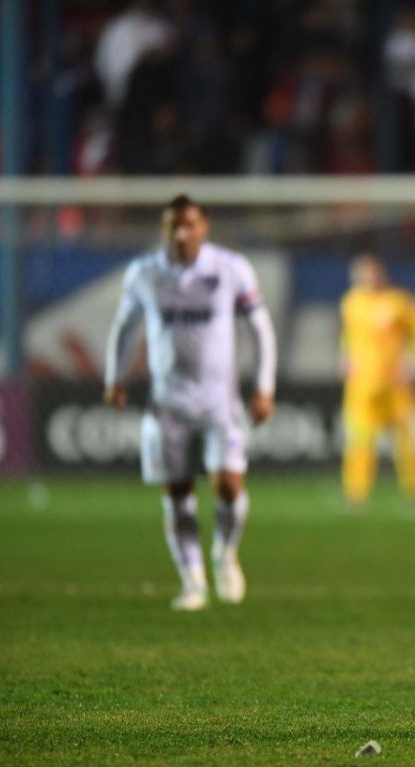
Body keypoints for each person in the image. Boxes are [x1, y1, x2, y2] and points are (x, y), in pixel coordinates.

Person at [104, 195, 277, 611]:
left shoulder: (230, 268)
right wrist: (115, 377)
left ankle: (223, 553)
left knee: (228, 486)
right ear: (164, 229)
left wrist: (264, 385)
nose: (182, 234)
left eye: (190, 225)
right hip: (168, 404)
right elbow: (125, 327)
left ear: (204, 227)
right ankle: (193, 582)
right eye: (173, 226)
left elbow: (261, 328)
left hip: (220, 402)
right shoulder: (144, 273)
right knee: (178, 492)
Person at [339, 254, 415, 507]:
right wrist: (346, 359)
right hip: (362, 386)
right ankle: (356, 494)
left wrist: (414, 363)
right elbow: (350, 338)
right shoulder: (351, 303)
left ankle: (414, 493)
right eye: (361, 273)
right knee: (360, 440)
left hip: (395, 385)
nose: (366, 278)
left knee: (405, 441)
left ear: (380, 274)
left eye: (370, 272)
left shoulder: (397, 302)